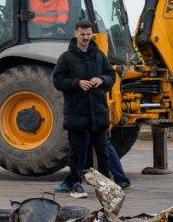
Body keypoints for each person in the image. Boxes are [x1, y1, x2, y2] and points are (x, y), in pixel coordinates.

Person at [53, 20, 131, 195]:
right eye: (83, 34)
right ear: (76, 34)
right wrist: (77, 83)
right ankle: (75, 183)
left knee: (103, 151)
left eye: (88, 34)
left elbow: (111, 75)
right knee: (76, 152)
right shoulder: (66, 58)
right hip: (77, 113)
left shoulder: (99, 55)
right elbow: (57, 80)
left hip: (98, 113)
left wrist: (102, 79)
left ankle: (105, 185)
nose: (86, 37)